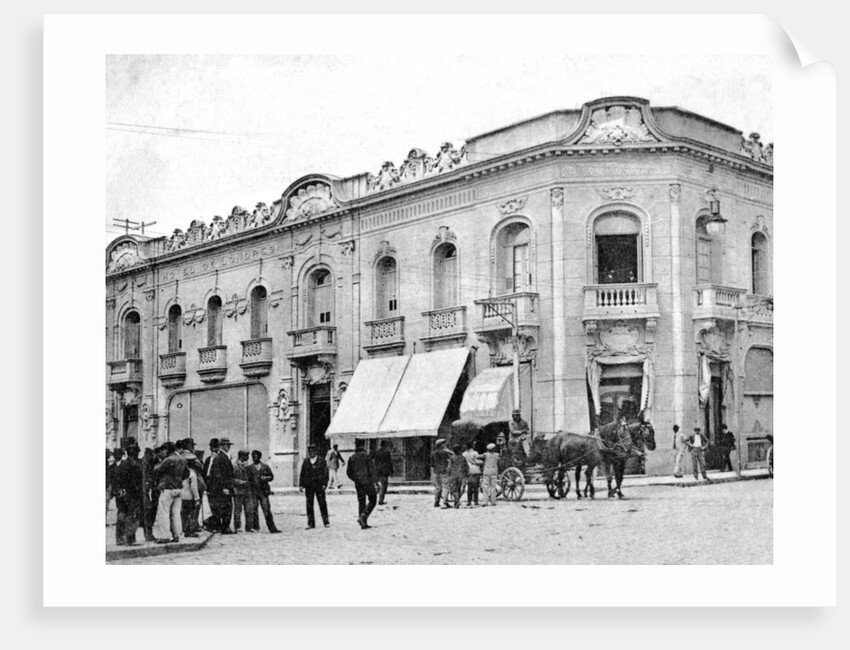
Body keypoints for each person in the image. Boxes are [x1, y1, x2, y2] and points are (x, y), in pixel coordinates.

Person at [153, 442, 189, 543]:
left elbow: (157, 471)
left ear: (167, 450)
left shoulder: (167, 460)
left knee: (164, 512)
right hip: (178, 489)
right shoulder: (182, 459)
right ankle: (177, 535)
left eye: (164, 450)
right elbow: (187, 474)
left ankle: (165, 536)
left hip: (167, 489)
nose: (162, 452)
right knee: (176, 513)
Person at [112, 445, 142, 545]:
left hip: (122, 494)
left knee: (122, 515)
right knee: (132, 516)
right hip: (131, 494)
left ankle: (120, 538)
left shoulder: (122, 464)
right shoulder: (134, 464)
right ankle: (130, 539)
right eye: (137, 452)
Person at [203, 437, 235, 534]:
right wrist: (224, 487)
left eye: (228, 445)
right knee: (227, 507)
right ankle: (225, 527)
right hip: (223, 488)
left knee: (225, 507)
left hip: (223, 487)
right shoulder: (221, 457)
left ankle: (224, 527)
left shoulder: (223, 456)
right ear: (221, 446)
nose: (228, 447)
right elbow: (219, 474)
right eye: (226, 445)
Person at [247, 450, 281, 533]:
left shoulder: (265, 467)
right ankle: (256, 527)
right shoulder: (249, 468)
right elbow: (247, 479)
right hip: (253, 492)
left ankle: (272, 528)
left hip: (263, 492)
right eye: (253, 456)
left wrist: (266, 478)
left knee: (267, 510)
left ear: (260, 457)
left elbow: (271, 477)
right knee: (254, 510)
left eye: (256, 456)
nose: (255, 458)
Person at [346, 440, 377, 529]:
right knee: (373, 500)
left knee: (361, 501)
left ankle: (363, 522)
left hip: (358, 483)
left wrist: (355, 479)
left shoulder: (352, 457)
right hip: (368, 482)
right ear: (363, 445)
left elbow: (348, 473)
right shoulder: (367, 456)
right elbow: (372, 470)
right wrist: (375, 481)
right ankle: (363, 517)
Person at [299, 445, 330, 529]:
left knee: (322, 503)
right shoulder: (306, 462)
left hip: (319, 485)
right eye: (309, 452)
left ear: (316, 452)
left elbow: (326, 473)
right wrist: (301, 484)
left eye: (312, 451)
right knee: (309, 505)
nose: (311, 453)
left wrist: (325, 484)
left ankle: (326, 522)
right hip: (309, 486)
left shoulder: (322, 461)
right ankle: (311, 523)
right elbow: (302, 473)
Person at [178, 438, 205, 536]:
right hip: (193, 487)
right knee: (194, 508)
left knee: (183, 511)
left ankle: (185, 527)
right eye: (192, 445)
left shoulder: (180, 456)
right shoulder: (193, 457)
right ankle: (191, 527)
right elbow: (201, 468)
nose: (193, 447)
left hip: (182, 489)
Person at [179, 449, 200, 538]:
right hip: (189, 496)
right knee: (189, 514)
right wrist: (197, 498)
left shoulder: (179, 471)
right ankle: (189, 531)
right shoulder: (192, 473)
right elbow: (194, 487)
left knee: (182, 514)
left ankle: (182, 529)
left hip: (180, 495)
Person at [231, 450, 253, 532]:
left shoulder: (248, 466)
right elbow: (231, 479)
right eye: (246, 455)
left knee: (249, 509)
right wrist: (241, 482)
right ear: (242, 456)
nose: (248, 457)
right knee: (238, 510)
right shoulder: (234, 465)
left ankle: (249, 527)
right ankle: (237, 527)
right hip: (238, 491)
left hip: (247, 491)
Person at [430, 438, 453, 508]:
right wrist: (448, 450)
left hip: (436, 472)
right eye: (444, 444)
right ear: (441, 445)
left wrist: (432, 474)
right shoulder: (445, 453)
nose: (445, 445)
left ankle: (436, 502)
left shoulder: (433, 453)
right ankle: (445, 502)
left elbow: (431, 464)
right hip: (443, 471)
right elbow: (452, 457)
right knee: (445, 487)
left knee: (438, 487)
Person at [447, 444, 469, 509]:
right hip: (461, 475)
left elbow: (449, 467)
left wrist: (448, 474)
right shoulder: (463, 458)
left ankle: (457, 501)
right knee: (460, 489)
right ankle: (457, 502)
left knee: (453, 489)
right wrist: (466, 474)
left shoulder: (452, 458)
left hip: (453, 475)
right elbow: (466, 467)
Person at [372, 440, 394, 505]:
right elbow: (389, 463)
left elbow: (375, 462)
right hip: (384, 472)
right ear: (385, 445)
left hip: (378, 471)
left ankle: (376, 498)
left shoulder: (377, 452)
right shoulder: (387, 452)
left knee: (379, 485)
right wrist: (391, 472)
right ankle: (380, 500)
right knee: (383, 486)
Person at [462, 441, 483, 506]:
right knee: (476, 487)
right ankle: (476, 501)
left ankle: (469, 501)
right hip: (476, 470)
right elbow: (478, 460)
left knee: (469, 487)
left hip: (469, 471)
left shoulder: (464, 453)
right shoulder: (475, 453)